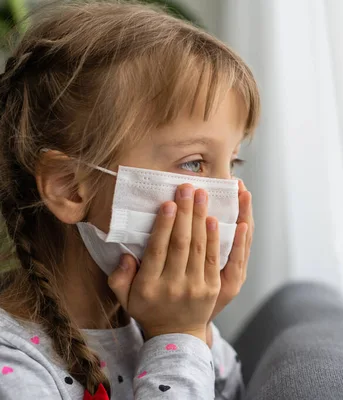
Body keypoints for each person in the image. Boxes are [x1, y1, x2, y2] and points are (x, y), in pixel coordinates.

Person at [0, 1, 259, 399]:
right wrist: (179, 338)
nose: (230, 195)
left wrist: (198, 328)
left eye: (233, 162)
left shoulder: (159, 317)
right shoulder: (13, 363)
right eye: (194, 164)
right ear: (70, 186)